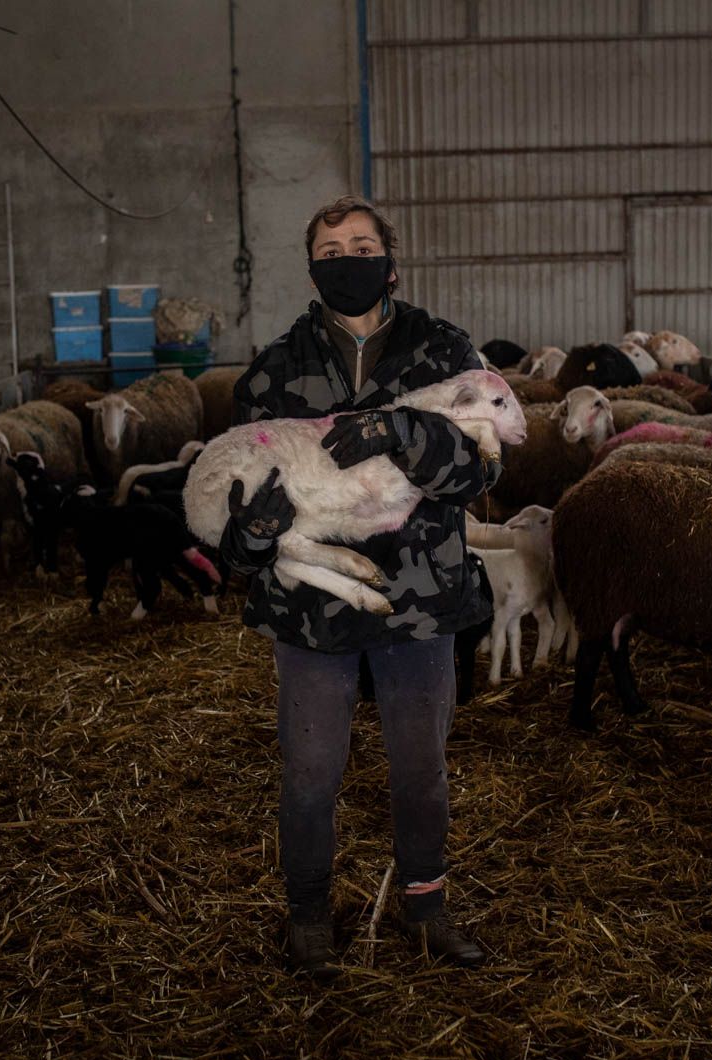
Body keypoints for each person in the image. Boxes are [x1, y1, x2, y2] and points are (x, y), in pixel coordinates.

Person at [220, 195, 500, 976]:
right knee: (310, 769)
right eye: (332, 249)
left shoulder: (445, 351)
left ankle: (427, 908)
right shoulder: (276, 369)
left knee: (420, 768)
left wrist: (404, 432)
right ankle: (309, 917)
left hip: (419, 596)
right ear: (313, 267)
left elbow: (481, 470)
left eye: (362, 245)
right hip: (313, 610)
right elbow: (232, 501)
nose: (349, 259)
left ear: (391, 259)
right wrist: (246, 535)